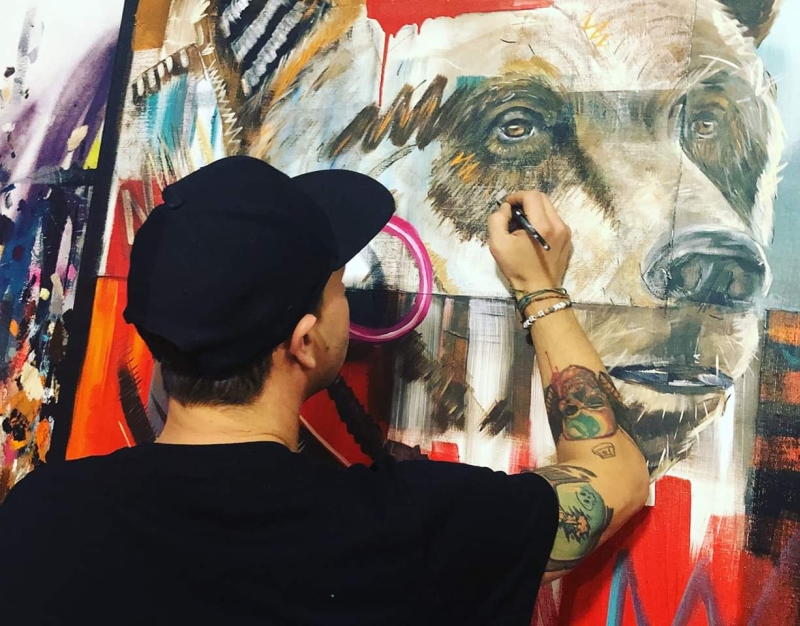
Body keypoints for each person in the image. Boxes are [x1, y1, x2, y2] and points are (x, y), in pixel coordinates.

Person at [0, 156, 648, 624]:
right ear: (305, 342)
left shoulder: (39, 521)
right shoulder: (411, 532)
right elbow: (614, 477)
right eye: (339, 285)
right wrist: (540, 288)